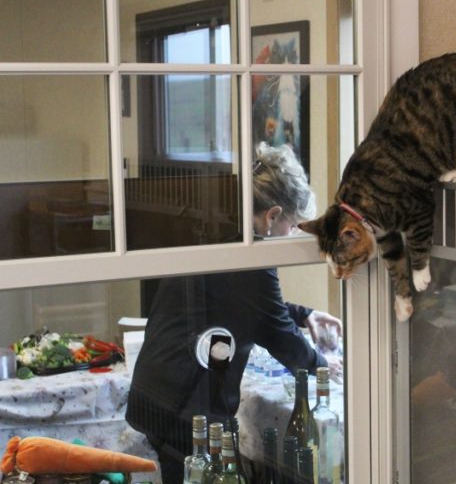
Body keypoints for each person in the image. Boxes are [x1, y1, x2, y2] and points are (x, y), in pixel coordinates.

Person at [126, 142, 343, 484]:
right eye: (293, 226)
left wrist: (306, 314)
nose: (291, 236)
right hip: (183, 399)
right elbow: (278, 336)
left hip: (160, 389)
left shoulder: (223, 229)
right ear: (272, 216)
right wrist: (321, 366)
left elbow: (244, 304)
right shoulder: (250, 257)